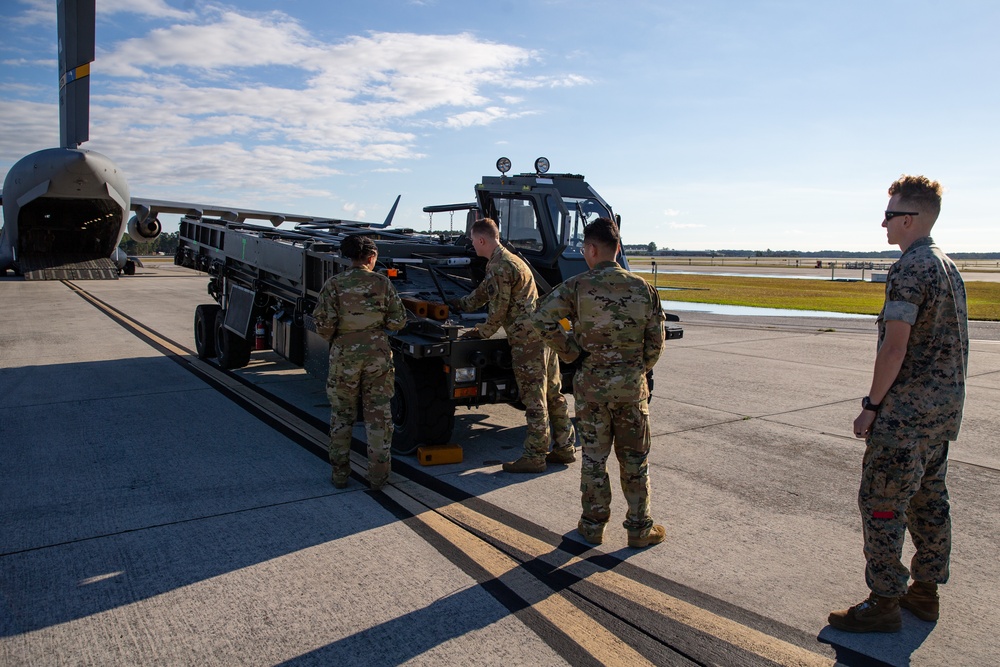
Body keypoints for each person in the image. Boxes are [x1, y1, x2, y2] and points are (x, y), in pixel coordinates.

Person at [829, 175, 969, 633]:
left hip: (905, 419)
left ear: (908, 219)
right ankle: (925, 593)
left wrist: (871, 405)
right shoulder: (948, 266)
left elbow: (895, 346)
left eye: (889, 215)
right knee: (930, 503)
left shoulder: (910, 268)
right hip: (940, 416)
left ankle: (885, 600)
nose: (883, 223)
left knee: (883, 505)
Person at [531, 217, 667, 548]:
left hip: (592, 390)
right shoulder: (643, 288)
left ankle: (593, 526)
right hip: (632, 391)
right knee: (635, 462)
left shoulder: (578, 286)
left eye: (584, 250)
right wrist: (633, 369)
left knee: (594, 460)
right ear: (617, 248)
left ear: (592, 249)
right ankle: (639, 529)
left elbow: (541, 317)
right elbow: (655, 344)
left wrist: (571, 351)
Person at [448, 218, 576, 473]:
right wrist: (459, 303)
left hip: (526, 340)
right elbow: (484, 293)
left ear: (482, 240)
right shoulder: (509, 260)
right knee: (552, 393)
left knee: (534, 398)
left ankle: (535, 456)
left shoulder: (499, 267)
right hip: (542, 334)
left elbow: (498, 309)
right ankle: (564, 447)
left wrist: (480, 333)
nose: (472, 245)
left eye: (473, 240)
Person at [313, 235, 407, 490]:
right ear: (371, 258)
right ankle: (378, 478)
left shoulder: (334, 284)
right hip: (377, 356)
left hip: (344, 356)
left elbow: (322, 327)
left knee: (342, 416)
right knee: (378, 416)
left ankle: (340, 475)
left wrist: (344, 336)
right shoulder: (383, 283)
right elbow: (398, 321)